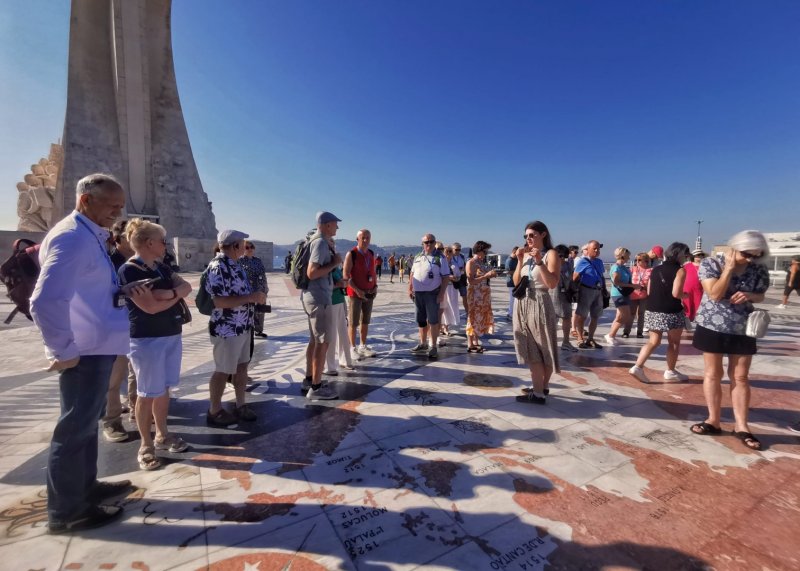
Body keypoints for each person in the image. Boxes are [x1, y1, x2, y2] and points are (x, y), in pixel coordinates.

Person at [31, 173, 135, 533]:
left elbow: (86, 290)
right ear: (85, 200)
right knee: (74, 430)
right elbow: (45, 300)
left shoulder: (89, 235)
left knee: (85, 425)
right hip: (84, 352)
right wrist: (62, 350)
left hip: (96, 347)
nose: (117, 213)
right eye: (112, 205)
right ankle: (68, 511)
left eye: (120, 206)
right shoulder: (73, 238)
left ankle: (85, 487)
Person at [118, 219, 192, 470]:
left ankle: (162, 434)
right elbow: (149, 307)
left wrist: (167, 294)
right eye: (162, 241)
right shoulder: (130, 271)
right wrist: (174, 295)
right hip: (146, 339)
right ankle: (146, 446)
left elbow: (186, 287)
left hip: (170, 333)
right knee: (146, 393)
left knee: (163, 389)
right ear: (149, 243)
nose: (165, 245)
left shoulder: (161, 267)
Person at [690, 231, 770, 450]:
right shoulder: (711, 263)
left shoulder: (758, 268)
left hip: (743, 327)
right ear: (734, 248)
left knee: (740, 376)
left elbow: (761, 294)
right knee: (713, 374)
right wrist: (728, 269)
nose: (751, 259)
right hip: (712, 325)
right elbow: (714, 294)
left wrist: (750, 296)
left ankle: (742, 426)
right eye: (747, 254)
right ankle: (713, 420)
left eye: (756, 255)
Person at [205, 229, 267, 425]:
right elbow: (219, 301)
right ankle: (214, 410)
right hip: (227, 328)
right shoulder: (218, 267)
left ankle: (241, 405)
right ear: (234, 246)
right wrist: (250, 297)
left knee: (242, 367)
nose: (245, 246)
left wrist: (253, 298)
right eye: (242, 243)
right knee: (223, 370)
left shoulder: (235, 264)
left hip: (243, 325)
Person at [629, 242, 691, 383]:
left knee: (653, 341)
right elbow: (676, 293)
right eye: (686, 255)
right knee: (674, 343)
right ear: (680, 255)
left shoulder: (655, 269)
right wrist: (686, 295)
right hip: (672, 311)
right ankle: (670, 371)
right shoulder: (680, 271)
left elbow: (649, 291)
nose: (686, 258)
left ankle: (637, 367)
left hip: (652, 309)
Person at [513, 221, 561, 404]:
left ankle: (539, 393)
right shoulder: (526, 255)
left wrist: (540, 261)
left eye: (532, 235)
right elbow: (516, 282)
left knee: (542, 349)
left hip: (540, 301)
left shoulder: (551, 254)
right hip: (523, 302)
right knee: (530, 347)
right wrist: (520, 261)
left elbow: (552, 283)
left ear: (543, 234)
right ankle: (541, 387)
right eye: (526, 236)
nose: (528, 238)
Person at [301, 212, 343, 400]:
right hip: (319, 298)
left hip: (311, 297)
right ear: (326, 225)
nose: (337, 227)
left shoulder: (314, 241)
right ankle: (316, 388)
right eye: (335, 224)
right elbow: (312, 272)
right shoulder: (320, 243)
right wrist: (334, 263)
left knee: (314, 341)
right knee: (322, 342)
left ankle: (310, 378)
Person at [102, 219, 135, 442]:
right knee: (113, 378)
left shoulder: (139, 261)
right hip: (115, 327)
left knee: (136, 372)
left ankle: (135, 406)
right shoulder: (108, 263)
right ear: (118, 239)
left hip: (138, 324)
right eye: (131, 236)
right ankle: (112, 420)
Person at [408, 233, 451, 359]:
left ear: (434, 243)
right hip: (418, 294)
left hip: (432, 293)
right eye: (426, 242)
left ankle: (433, 346)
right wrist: (410, 287)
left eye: (431, 242)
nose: (429, 244)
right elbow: (412, 273)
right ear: (422, 244)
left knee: (433, 320)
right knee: (421, 320)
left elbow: (446, 277)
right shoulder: (418, 256)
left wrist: (441, 293)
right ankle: (423, 343)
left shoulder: (440, 258)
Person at [343, 229, 378, 361]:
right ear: (357, 239)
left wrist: (375, 286)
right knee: (353, 322)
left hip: (369, 293)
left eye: (368, 237)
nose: (365, 240)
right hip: (355, 294)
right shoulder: (351, 254)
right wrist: (357, 290)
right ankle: (352, 348)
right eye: (363, 237)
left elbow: (373, 271)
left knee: (365, 321)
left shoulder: (371, 253)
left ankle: (362, 346)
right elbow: (346, 275)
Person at [604, 247, 642, 346]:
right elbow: (616, 282)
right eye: (628, 256)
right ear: (623, 256)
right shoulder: (616, 268)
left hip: (625, 293)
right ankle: (610, 335)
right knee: (625, 316)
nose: (629, 258)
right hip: (618, 294)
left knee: (620, 316)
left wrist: (634, 285)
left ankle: (612, 335)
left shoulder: (623, 267)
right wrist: (632, 286)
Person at [464, 241, 497, 352]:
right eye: (485, 251)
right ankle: (470, 344)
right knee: (473, 317)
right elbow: (471, 281)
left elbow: (484, 276)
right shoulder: (471, 263)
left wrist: (491, 275)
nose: (486, 253)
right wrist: (486, 276)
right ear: (479, 251)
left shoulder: (481, 262)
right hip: (475, 294)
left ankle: (475, 342)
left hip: (483, 295)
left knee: (480, 317)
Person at [572, 240, 605, 349]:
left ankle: (590, 339)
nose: (596, 251)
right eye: (594, 249)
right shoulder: (583, 261)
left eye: (598, 249)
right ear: (588, 249)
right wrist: (575, 290)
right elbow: (575, 277)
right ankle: (580, 338)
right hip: (586, 290)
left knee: (595, 316)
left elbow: (602, 276)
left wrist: (604, 289)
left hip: (598, 290)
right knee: (582, 316)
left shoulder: (599, 262)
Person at [324, 264, 356, 374]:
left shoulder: (336, 266)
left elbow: (342, 281)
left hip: (340, 300)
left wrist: (344, 282)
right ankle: (329, 366)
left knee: (343, 333)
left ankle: (345, 360)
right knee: (331, 335)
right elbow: (323, 285)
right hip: (330, 302)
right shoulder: (326, 264)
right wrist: (338, 284)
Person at [549, 244, 577, 352]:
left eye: (564, 256)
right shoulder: (550, 264)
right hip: (552, 294)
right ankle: (550, 343)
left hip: (565, 295)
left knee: (567, 318)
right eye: (560, 256)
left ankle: (566, 342)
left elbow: (571, 279)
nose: (562, 259)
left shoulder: (569, 265)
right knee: (551, 320)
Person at [239, 240, 269, 339]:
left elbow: (263, 275)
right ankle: (247, 330)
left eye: (251, 247)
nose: (250, 249)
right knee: (248, 311)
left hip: (260, 289)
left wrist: (265, 290)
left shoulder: (258, 260)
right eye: (247, 247)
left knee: (260, 310)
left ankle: (258, 330)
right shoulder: (240, 261)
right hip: (248, 291)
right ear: (243, 249)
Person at [625, 253, 652, 338]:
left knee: (641, 314)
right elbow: (627, 280)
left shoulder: (650, 270)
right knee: (631, 313)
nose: (637, 261)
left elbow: (652, 283)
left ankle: (639, 332)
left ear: (646, 260)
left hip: (644, 295)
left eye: (640, 260)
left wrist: (645, 288)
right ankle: (626, 332)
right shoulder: (633, 269)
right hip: (633, 294)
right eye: (636, 260)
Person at [441, 245, 461, 335]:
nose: (448, 254)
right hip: (443, 288)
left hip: (452, 288)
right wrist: (448, 277)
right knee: (443, 307)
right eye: (447, 252)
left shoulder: (454, 264)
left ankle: (446, 326)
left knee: (450, 307)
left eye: (450, 252)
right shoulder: (441, 263)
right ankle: (443, 326)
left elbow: (459, 276)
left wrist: (455, 278)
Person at [682, 249, 705, 327]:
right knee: (687, 303)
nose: (699, 257)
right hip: (687, 288)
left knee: (698, 304)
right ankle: (687, 321)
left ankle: (697, 320)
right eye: (697, 256)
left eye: (701, 255)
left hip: (699, 288)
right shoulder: (687, 265)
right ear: (693, 257)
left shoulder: (704, 266)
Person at [452, 242, 469, 317]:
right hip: (453, 279)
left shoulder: (462, 256)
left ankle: (468, 313)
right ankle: (452, 315)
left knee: (464, 296)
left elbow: (465, 265)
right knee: (453, 298)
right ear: (452, 249)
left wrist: (463, 269)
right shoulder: (449, 256)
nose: (458, 251)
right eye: (456, 249)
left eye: (459, 249)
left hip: (461, 278)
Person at [505, 246, 519, 319]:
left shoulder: (515, 259)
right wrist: (518, 271)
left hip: (514, 281)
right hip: (511, 282)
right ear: (514, 252)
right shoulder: (509, 260)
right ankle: (510, 314)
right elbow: (508, 272)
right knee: (512, 299)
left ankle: (511, 313)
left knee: (514, 299)